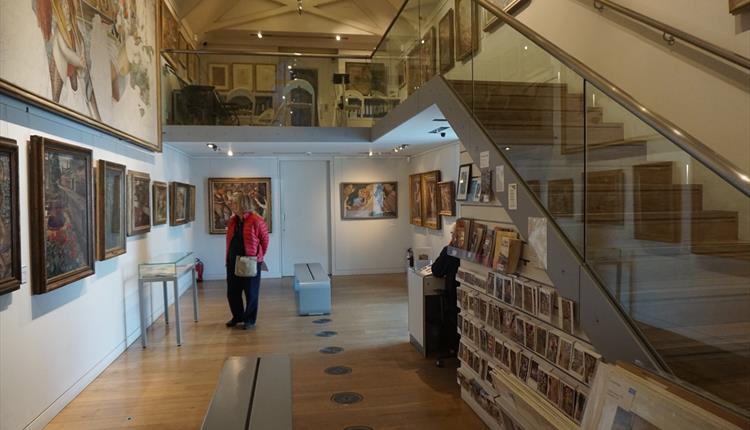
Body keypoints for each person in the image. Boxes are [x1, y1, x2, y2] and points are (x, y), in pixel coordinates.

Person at [225, 192, 269, 329]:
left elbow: (265, 241)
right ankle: (237, 317)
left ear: (242, 204)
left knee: (251, 292)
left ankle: (249, 320)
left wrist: (258, 257)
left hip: (250, 261)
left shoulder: (256, 220)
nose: (231, 204)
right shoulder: (233, 221)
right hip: (232, 261)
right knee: (232, 292)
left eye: (234, 202)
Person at [430, 227, 461, 357]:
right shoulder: (471, 252)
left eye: (452, 233)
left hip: (453, 297)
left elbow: (436, 270)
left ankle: (452, 346)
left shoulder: (450, 251)